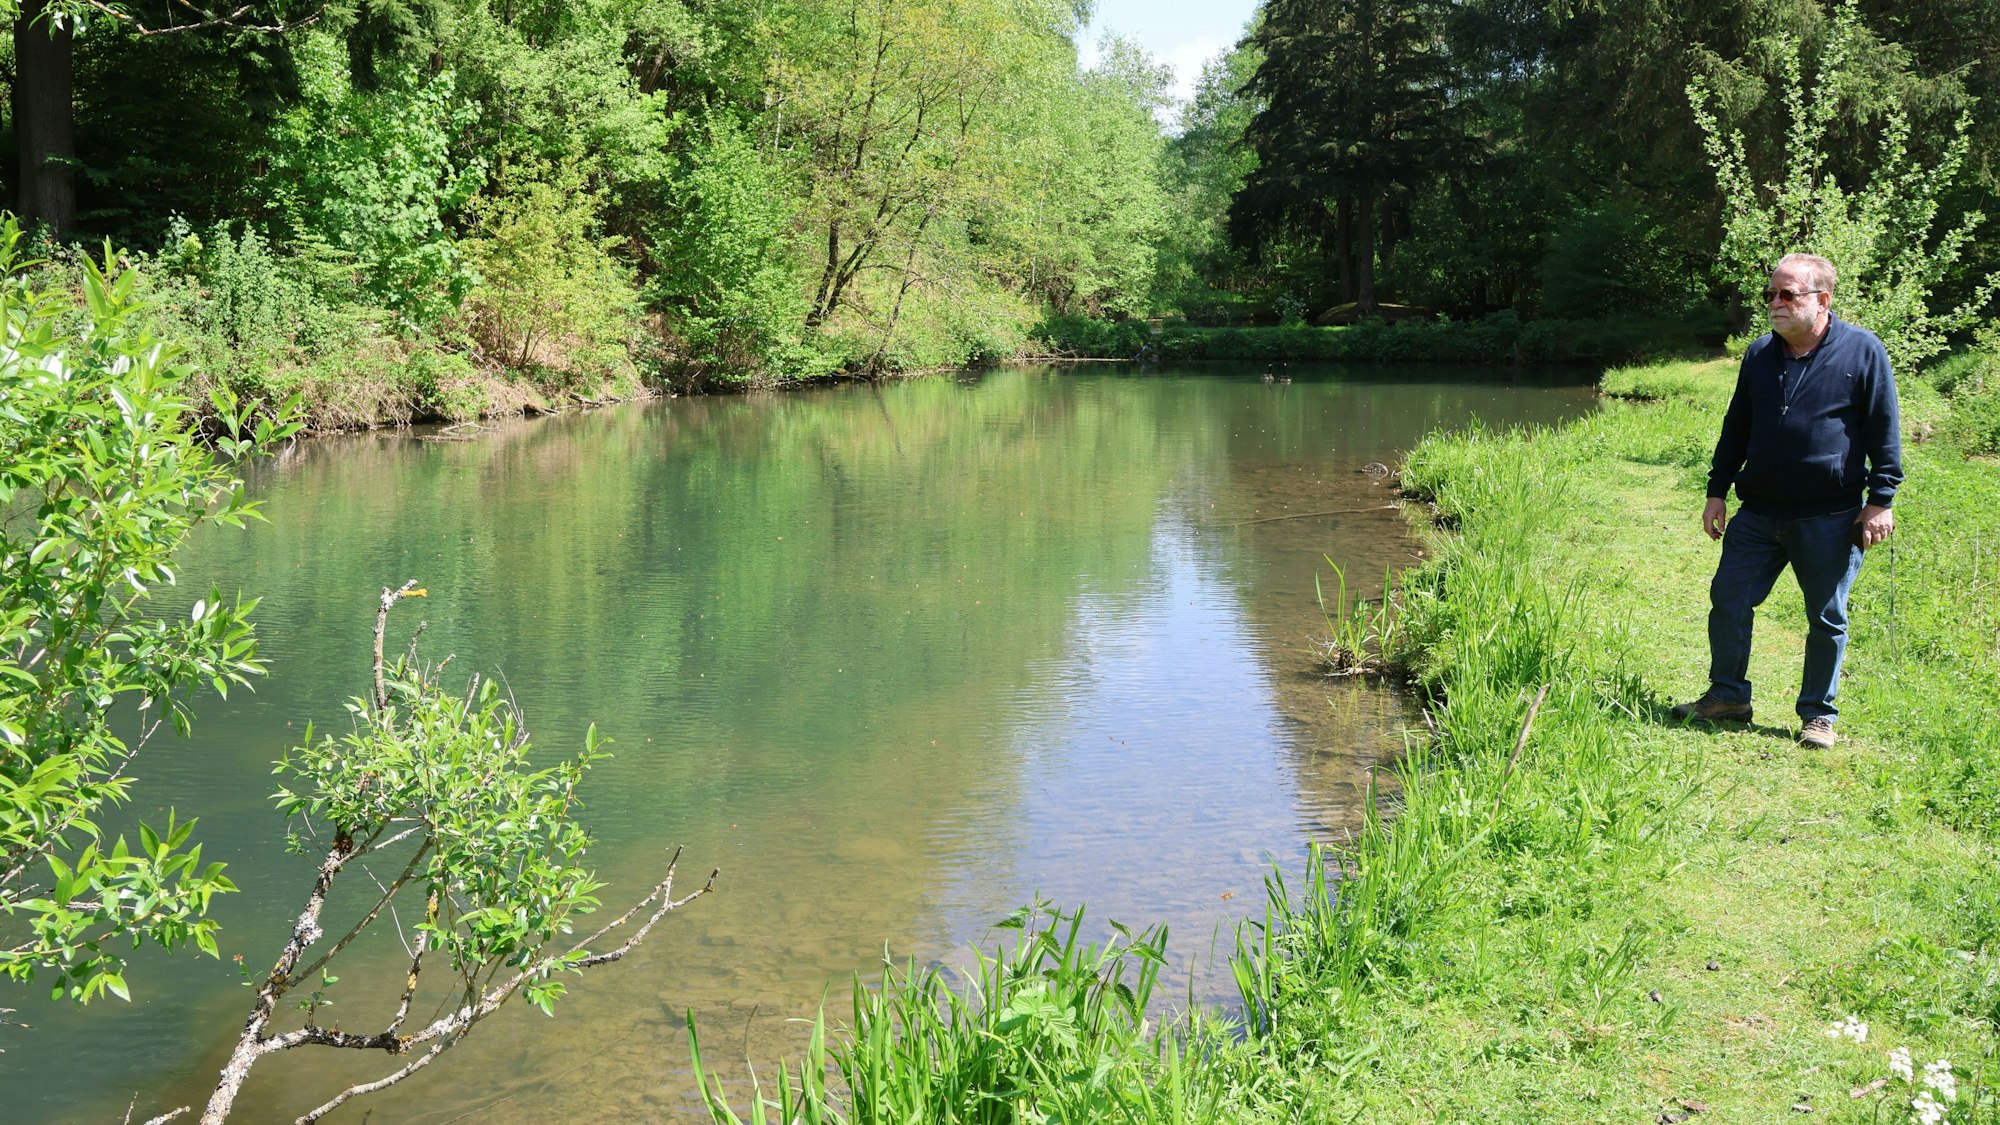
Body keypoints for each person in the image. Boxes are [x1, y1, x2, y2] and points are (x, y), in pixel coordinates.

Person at [1670, 253, 1902, 748]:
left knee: (1826, 617)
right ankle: (1729, 696)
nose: (1775, 303)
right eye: (1771, 294)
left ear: (1822, 300)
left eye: (1787, 294)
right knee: (1729, 599)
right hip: (1759, 513)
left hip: (1831, 515)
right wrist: (1717, 490)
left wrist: (1880, 500)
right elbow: (1738, 426)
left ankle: (1819, 715)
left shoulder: (1863, 351)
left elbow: (1885, 430)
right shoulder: (1759, 354)